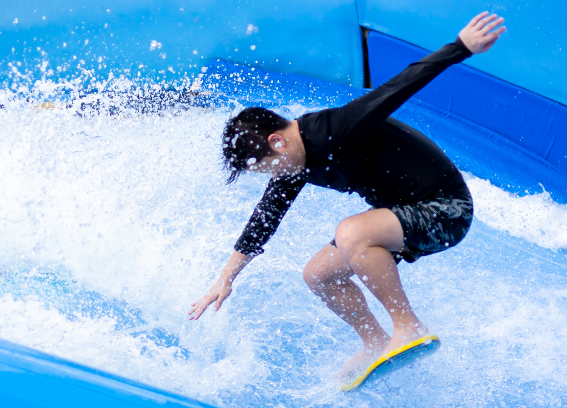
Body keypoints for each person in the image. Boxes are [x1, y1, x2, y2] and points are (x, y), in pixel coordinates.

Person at [189, 12, 506, 380]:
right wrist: (226, 278)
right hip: (405, 213)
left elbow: (399, 87)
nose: (273, 177)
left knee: (351, 232)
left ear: (277, 142)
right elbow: (265, 218)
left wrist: (460, 47)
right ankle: (375, 342)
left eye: (267, 168)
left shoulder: (334, 129)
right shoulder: (295, 161)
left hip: (446, 210)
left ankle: (408, 326)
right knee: (319, 275)